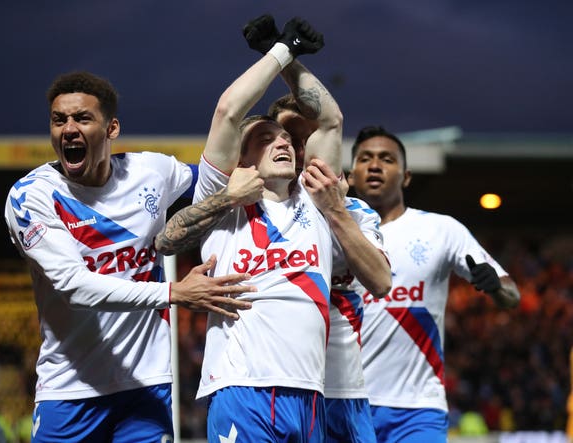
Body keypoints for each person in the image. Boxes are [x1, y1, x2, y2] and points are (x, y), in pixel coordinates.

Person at [3, 71, 258, 442]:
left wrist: (256, 179)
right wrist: (175, 293)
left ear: (112, 128)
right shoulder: (33, 196)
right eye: (59, 120)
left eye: (82, 118)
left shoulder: (150, 172)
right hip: (70, 391)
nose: (69, 128)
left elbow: (212, 183)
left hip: (146, 386)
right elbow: (74, 287)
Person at [191, 14, 340, 442]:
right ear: (240, 162)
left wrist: (288, 52)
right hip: (243, 389)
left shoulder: (315, 200)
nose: (282, 143)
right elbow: (227, 110)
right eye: (264, 138)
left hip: (310, 394)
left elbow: (329, 121)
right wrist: (279, 52)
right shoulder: (222, 207)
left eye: (286, 139)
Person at [348, 125, 521, 443]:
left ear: (407, 176)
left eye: (386, 159)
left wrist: (495, 285)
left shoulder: (441, 230)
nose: (375, 165)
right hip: (348, 403)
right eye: (365, 158)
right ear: (350, 176)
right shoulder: (334, 233)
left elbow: (512, 295)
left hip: (418, 410)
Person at [268, 89, 391, 441]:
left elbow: (381, 282)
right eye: (290, 140)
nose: (302, 151)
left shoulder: (356, 212)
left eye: (311, 139)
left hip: (341, 392)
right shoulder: (253, 211)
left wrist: (334, 209)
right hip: (275, 389)